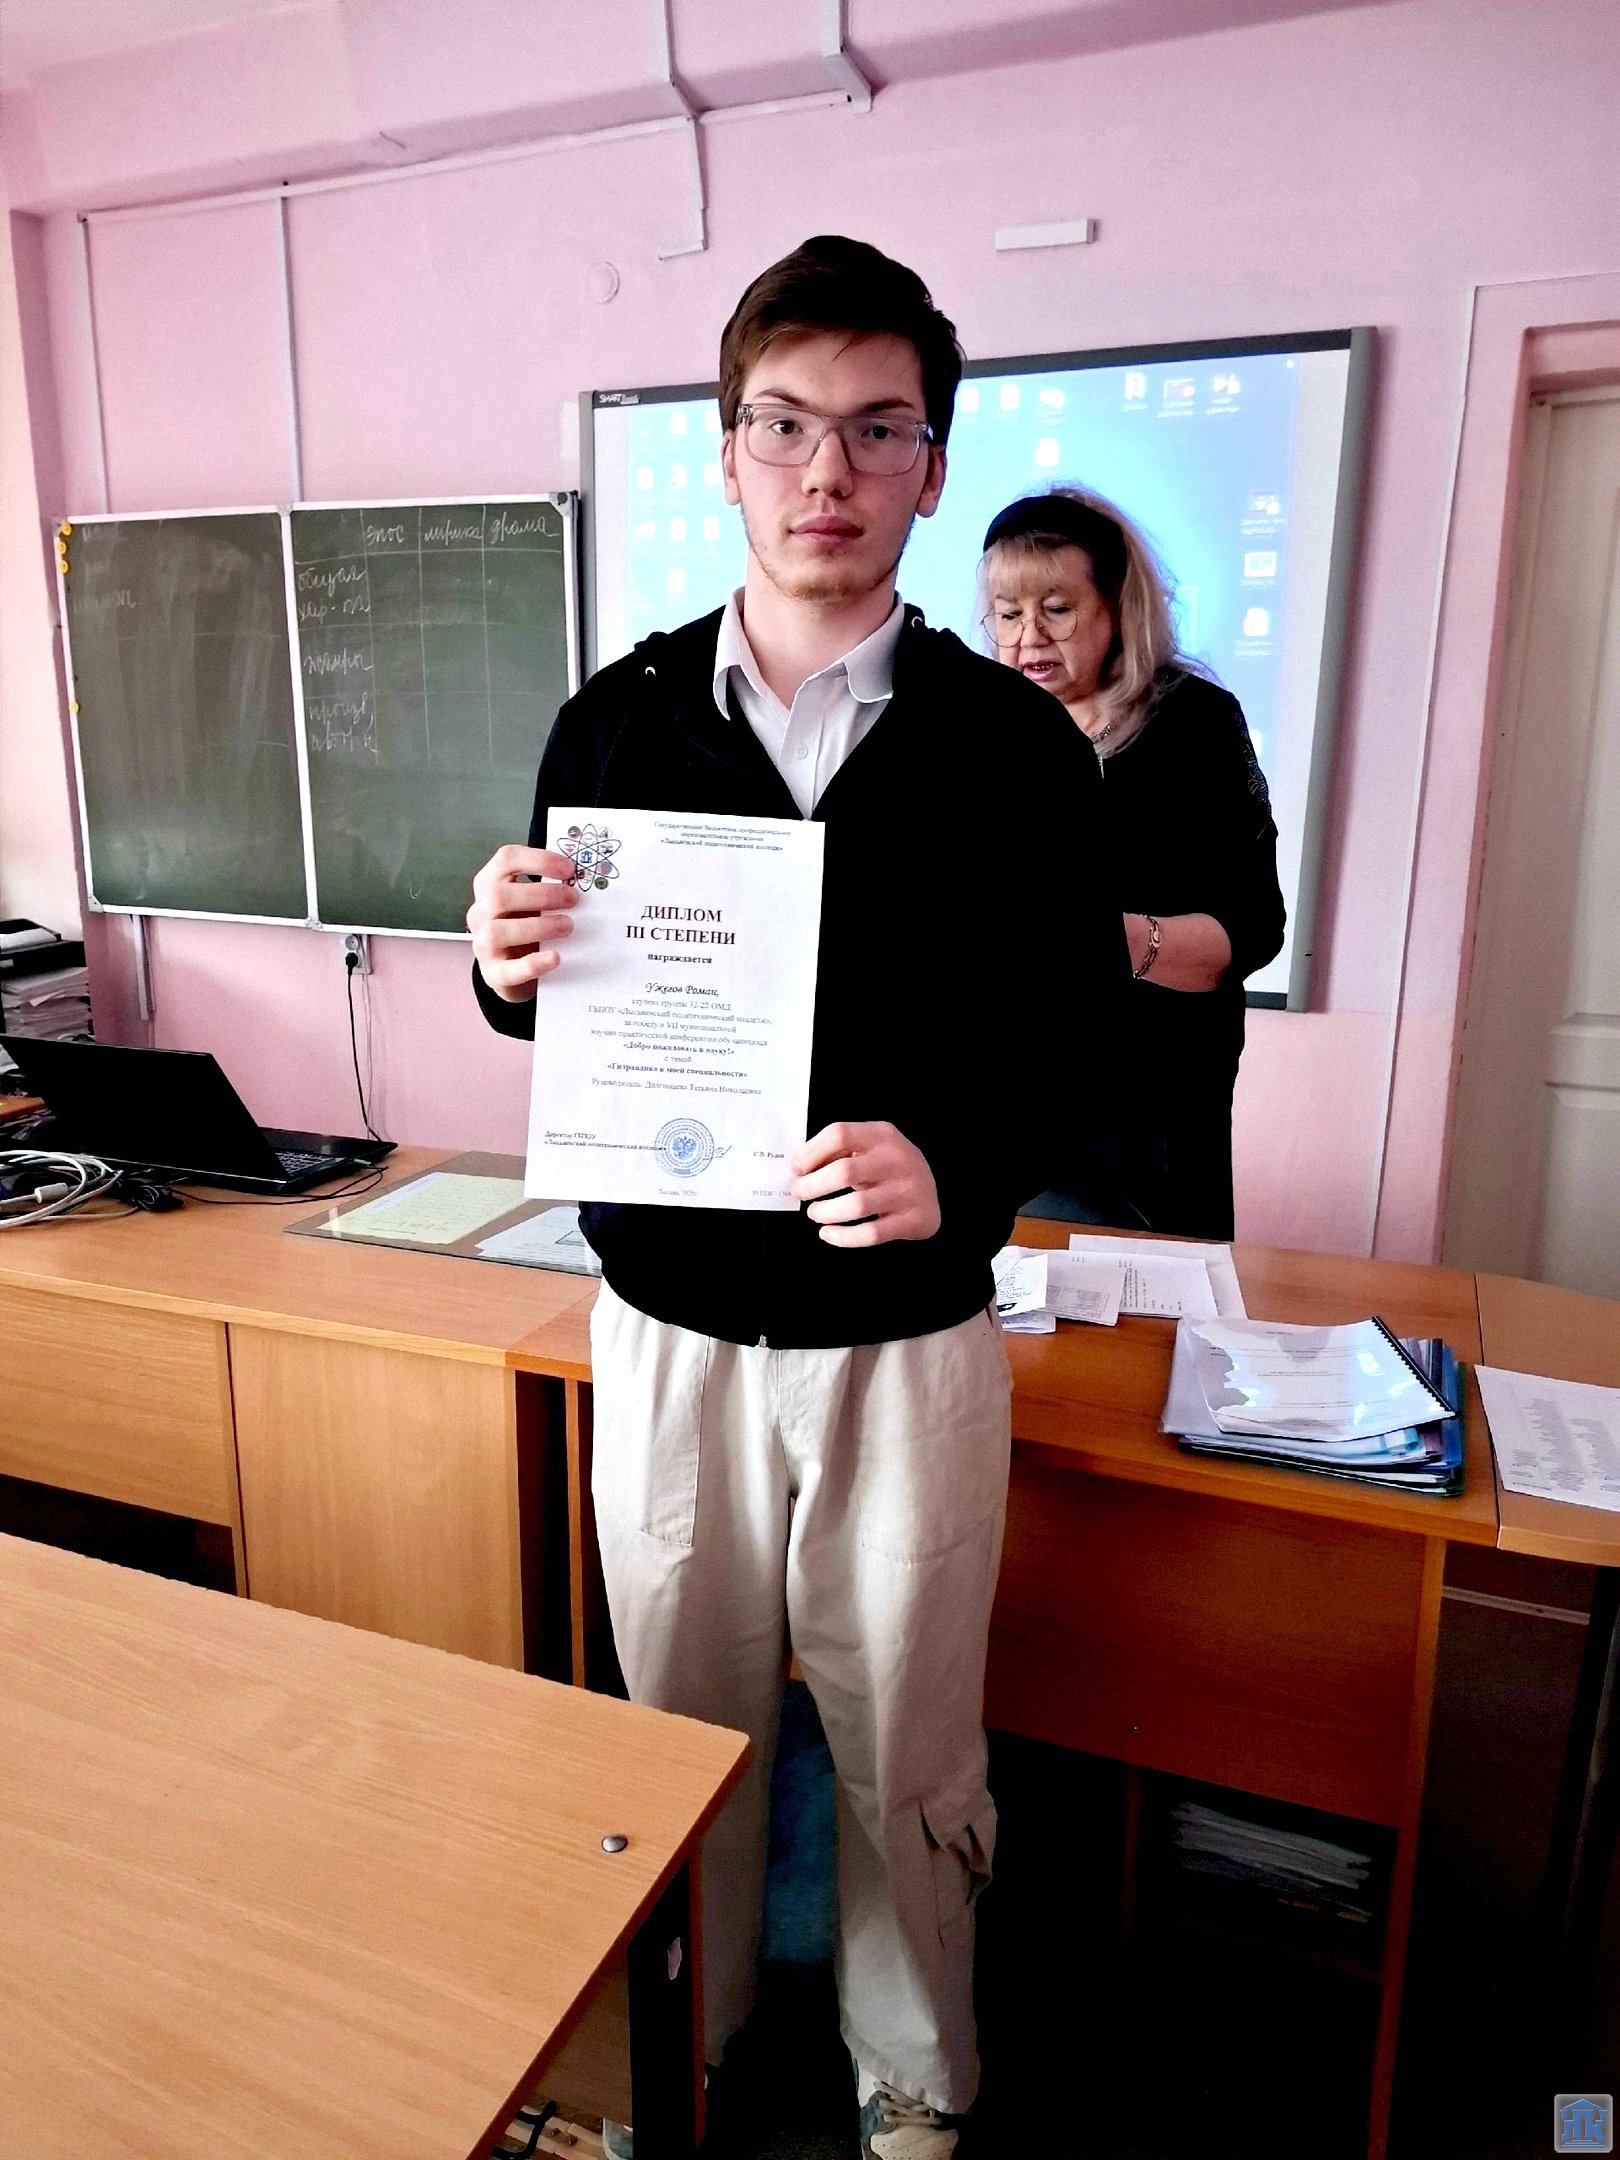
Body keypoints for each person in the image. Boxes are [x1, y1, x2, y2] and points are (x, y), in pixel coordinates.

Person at [469, 237, 1127, 2158]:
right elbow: (563, 1013)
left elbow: (1078, 1043)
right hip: (667, 1337)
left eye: (875, 429)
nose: (825, 470)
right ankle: (683, 2050)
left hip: (902, 1349)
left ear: (932, 465)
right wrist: (504, 964)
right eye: (784, 425)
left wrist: (960, 1167)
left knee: (908, 1742)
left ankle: (912, 2085)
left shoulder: (1017, 747)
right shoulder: (615, 718)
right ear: (727, 453)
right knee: (674, 1741)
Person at [980, 487, 1285, 1240]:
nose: (1027, 637)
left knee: (1146, 1296)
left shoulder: (1193, 723)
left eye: (1056, 609)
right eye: (1007, 615)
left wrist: (1108, 941)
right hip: (1004, 1095)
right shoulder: (979, 727)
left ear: (1117, 608)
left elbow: (1253, 925)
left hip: (1153, 1104)